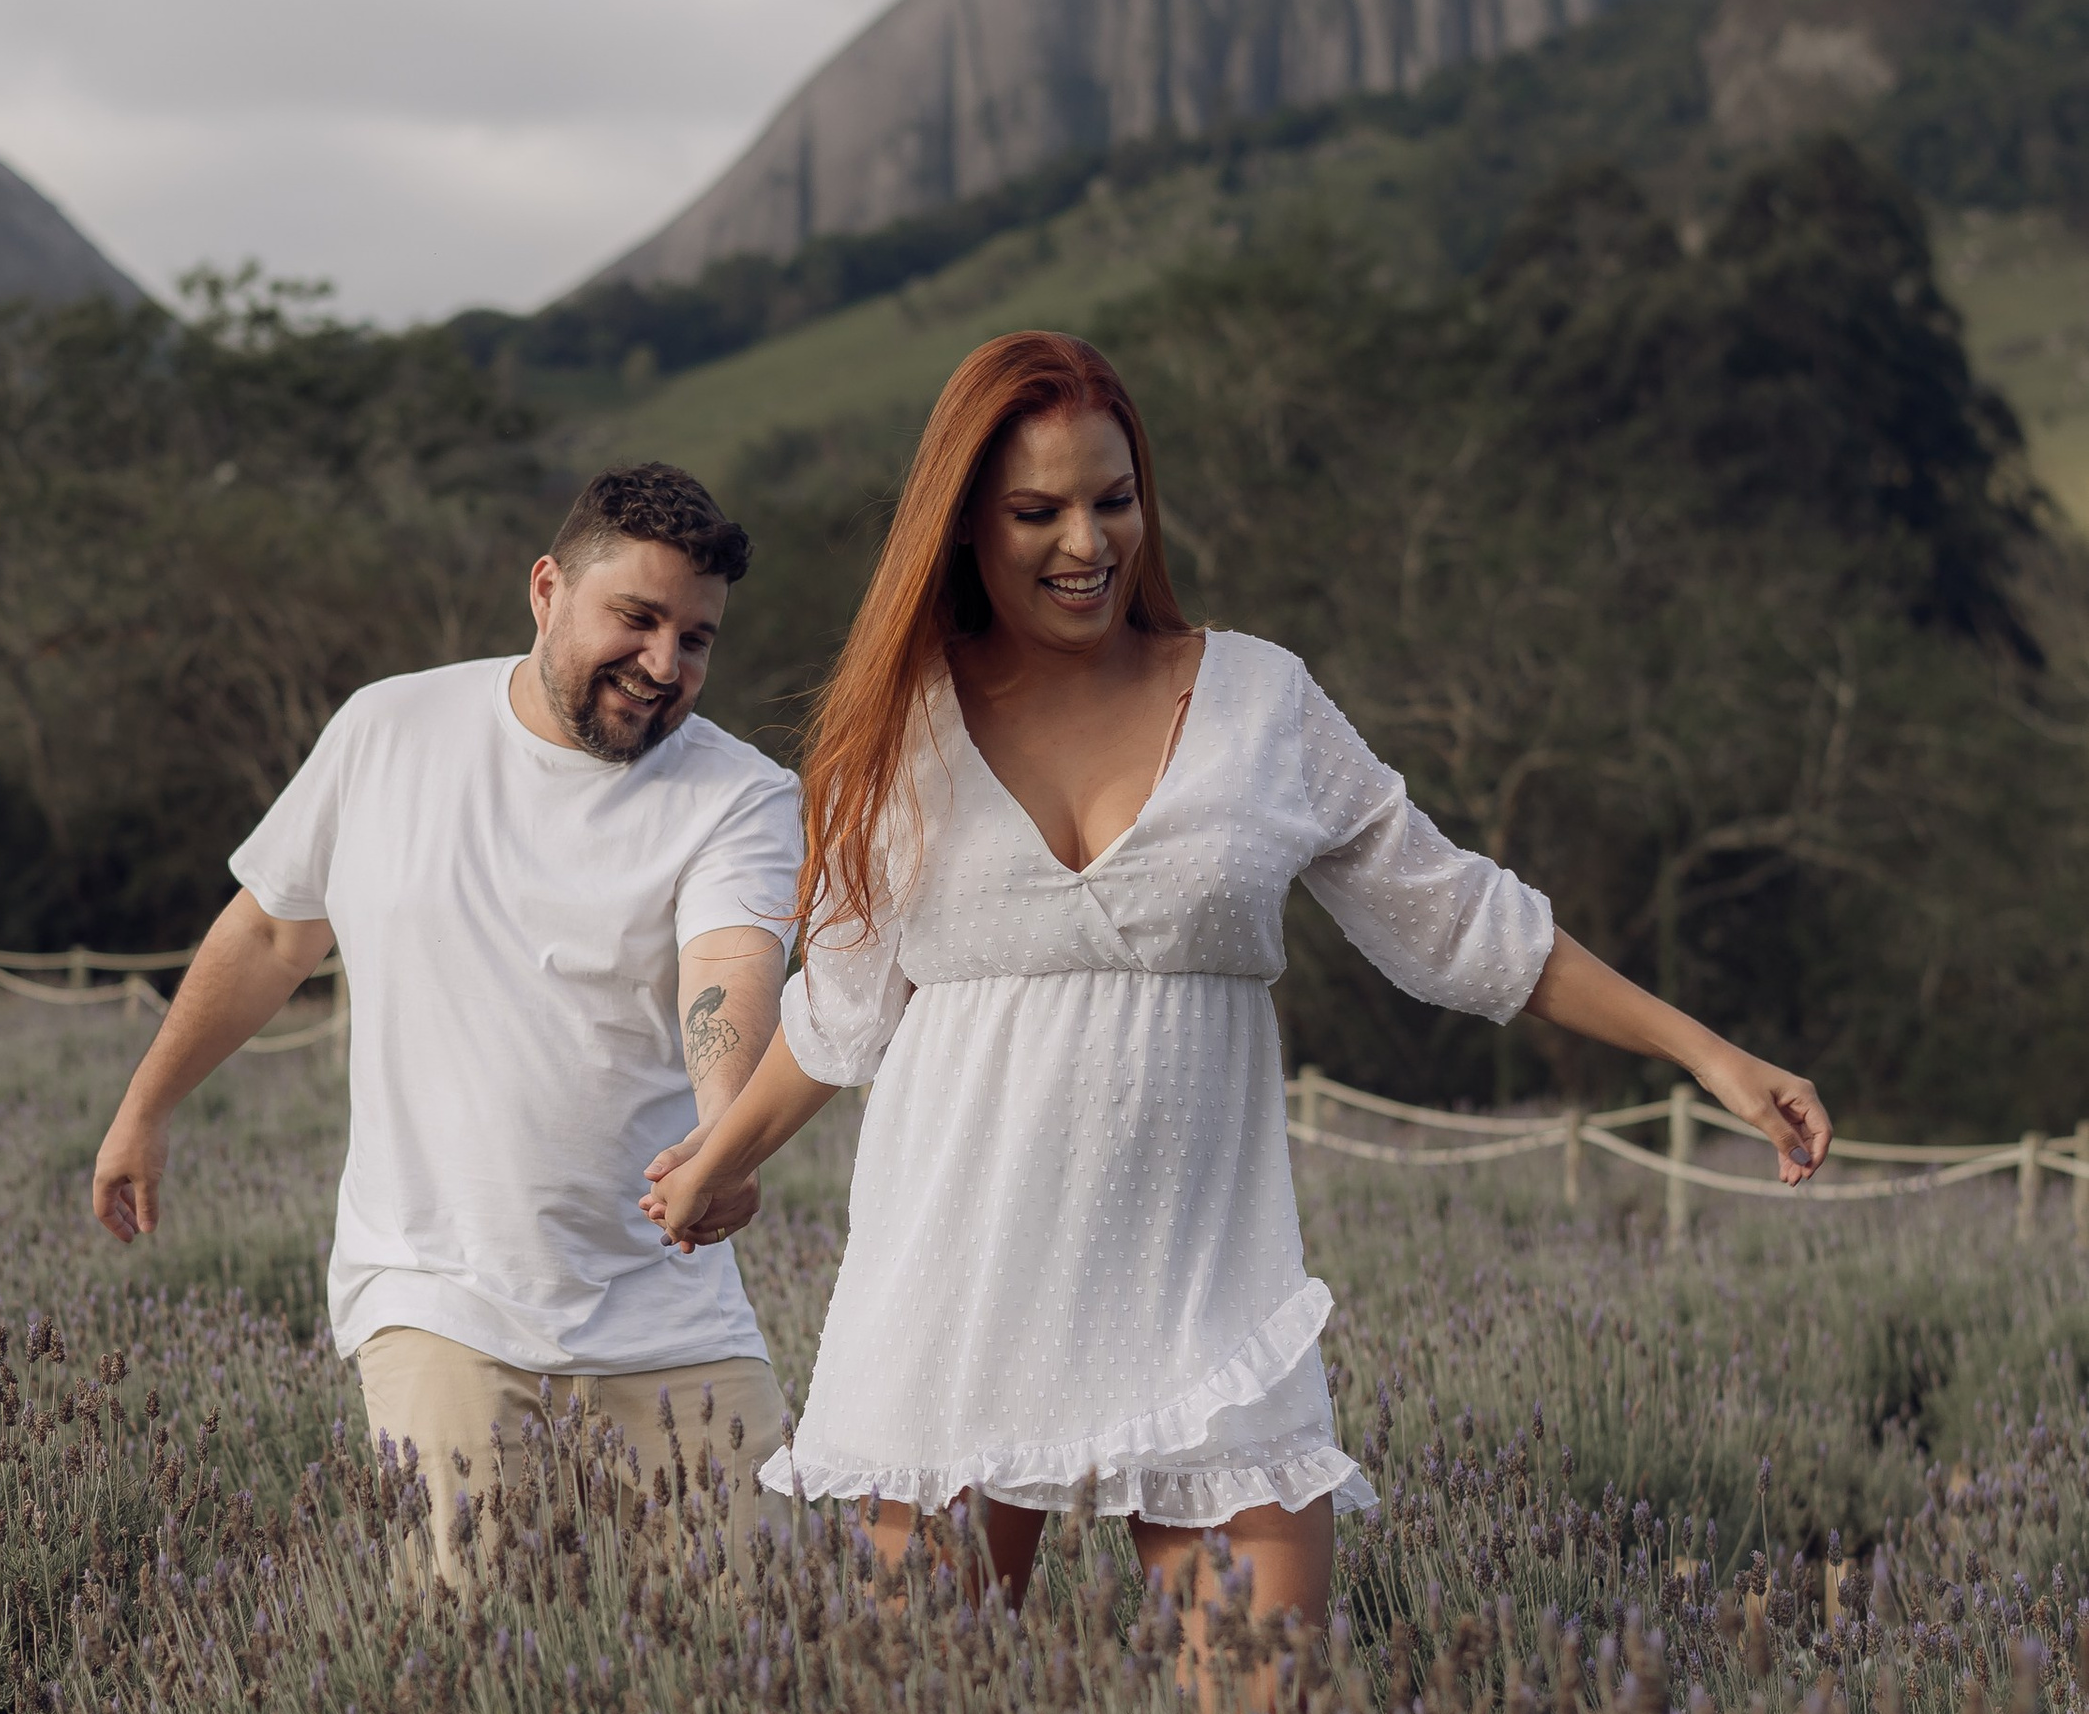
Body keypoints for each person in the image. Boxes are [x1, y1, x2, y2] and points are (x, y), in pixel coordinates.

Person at [643, 332, 1832, 1647]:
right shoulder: (897, 733)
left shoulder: (1259, 703)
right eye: (1037, 511)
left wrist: (1708, 1056)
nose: (1086, 541)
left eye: (1114, 497)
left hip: (1199, 1306)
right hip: (951, 1298)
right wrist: (718, 1161)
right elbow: (839, 1013)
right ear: (966, 527)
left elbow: (1459, 924)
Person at [94, 461, 801, 1551]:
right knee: (463, 1660)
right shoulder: (388, 731)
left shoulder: (741, 794)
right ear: (547, 590)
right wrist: (145, 1108)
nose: (664, 665)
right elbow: (275, 930)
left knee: (770, 1642)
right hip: (437, 1293)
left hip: (669, 1306)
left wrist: (727, 1128)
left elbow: (728, 968)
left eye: (696, 638)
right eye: (638, 618)